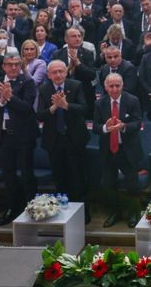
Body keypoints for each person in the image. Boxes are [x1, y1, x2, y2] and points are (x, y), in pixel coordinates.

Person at [0, 52, 39, 226]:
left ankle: (31, 208)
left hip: (23, 136)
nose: (14, 67)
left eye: (17, 64)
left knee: (26, 174)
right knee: (8, 175)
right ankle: (11, 208)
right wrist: (1, 101)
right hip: (3, 136)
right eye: (10, 64)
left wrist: (10, 97)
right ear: (4, 66)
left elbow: (27, 109)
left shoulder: (28, 82)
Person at [38, 60, 90, 224]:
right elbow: (39, 114)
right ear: (49, 75)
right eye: (54, 72)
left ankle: (83, 212)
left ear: (66, 72)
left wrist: (66, 105)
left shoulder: (76, 85)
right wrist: (54, 108)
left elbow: (84, 108)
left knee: (78, 177)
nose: (58, 75)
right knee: (59, 178)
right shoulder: (44, 89)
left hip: (74, 139)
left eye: (61, 71)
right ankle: (62, 211)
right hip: (54, 140)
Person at [94, 73, 143, 228]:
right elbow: (95, 127)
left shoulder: (132, 100)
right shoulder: (100, 103)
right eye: (111, 86)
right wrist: (105, 128)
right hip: (108, 150)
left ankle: (134, 213)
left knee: (132, 184)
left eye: (117, 85)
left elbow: (138, 123)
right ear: (106, 87)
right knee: (109, 184)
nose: (114, 89)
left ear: (122, 85)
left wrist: (124, 126)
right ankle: (114, 212)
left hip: (127, 149)